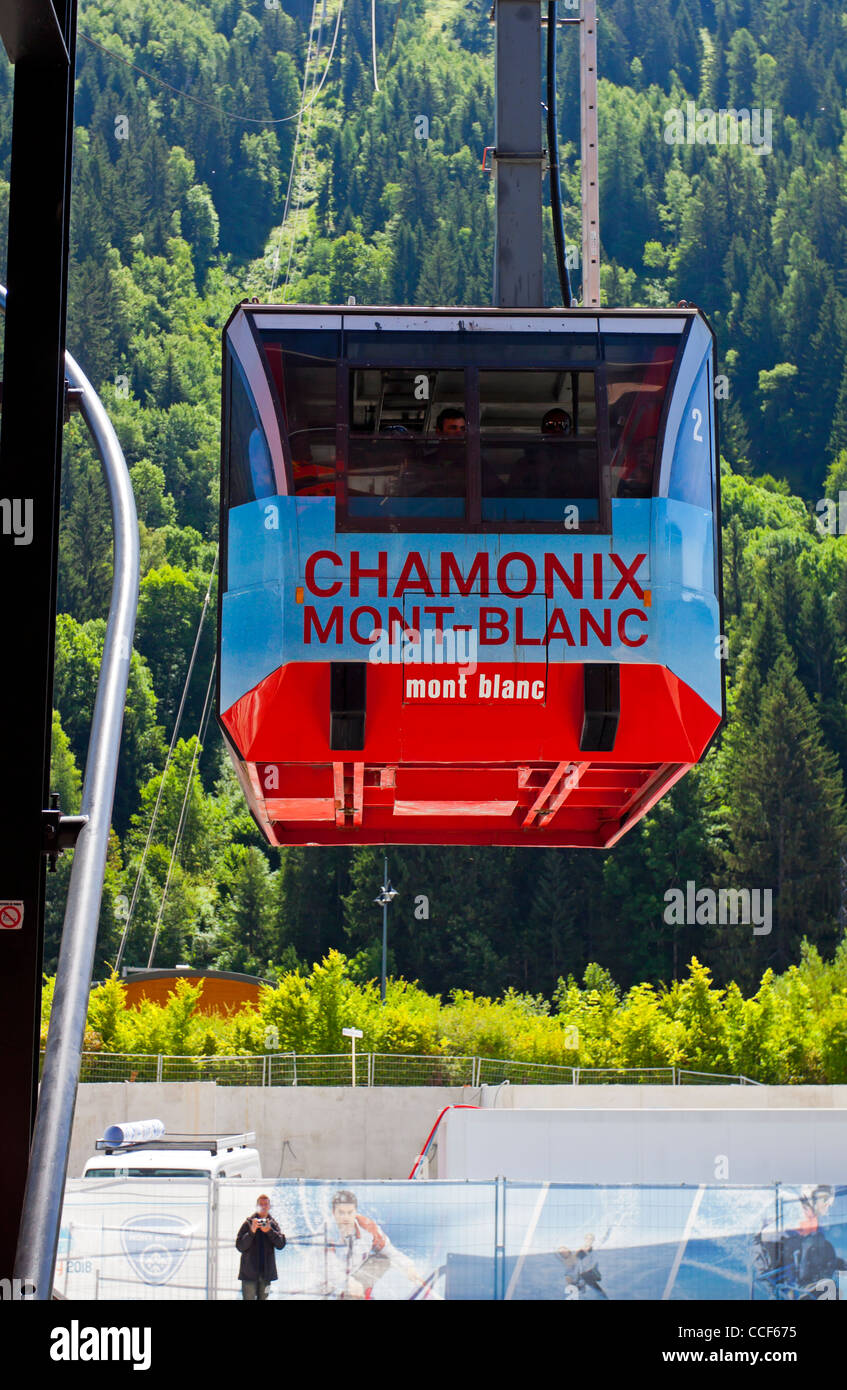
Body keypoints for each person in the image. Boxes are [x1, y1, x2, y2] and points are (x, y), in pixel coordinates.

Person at [326, 1189, 425, 1299]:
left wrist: (408, 1266)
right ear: (333, 1212)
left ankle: (363, 1294)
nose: (346, 1217)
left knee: (383, 1259)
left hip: (354, 1278)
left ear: (355, 1212)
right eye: (341, 1212)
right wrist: (349, 1283)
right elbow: (330, 1269)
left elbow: (389, 1251)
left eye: (350, 1212)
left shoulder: (367, 1227)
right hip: (330, 1283)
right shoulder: (325, 1235)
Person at [236, 1193, 286, 1300]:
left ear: (269, 1206)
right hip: (249, 1274)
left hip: (266, 1274)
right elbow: (240, 1246)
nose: (263, 1207)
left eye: (266, 1204)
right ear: (257, 1206)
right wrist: (251, 1232)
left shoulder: (272, 1224)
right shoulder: (248, 1223)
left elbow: (281, 1244)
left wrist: (269, 1231)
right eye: (261, 1204)